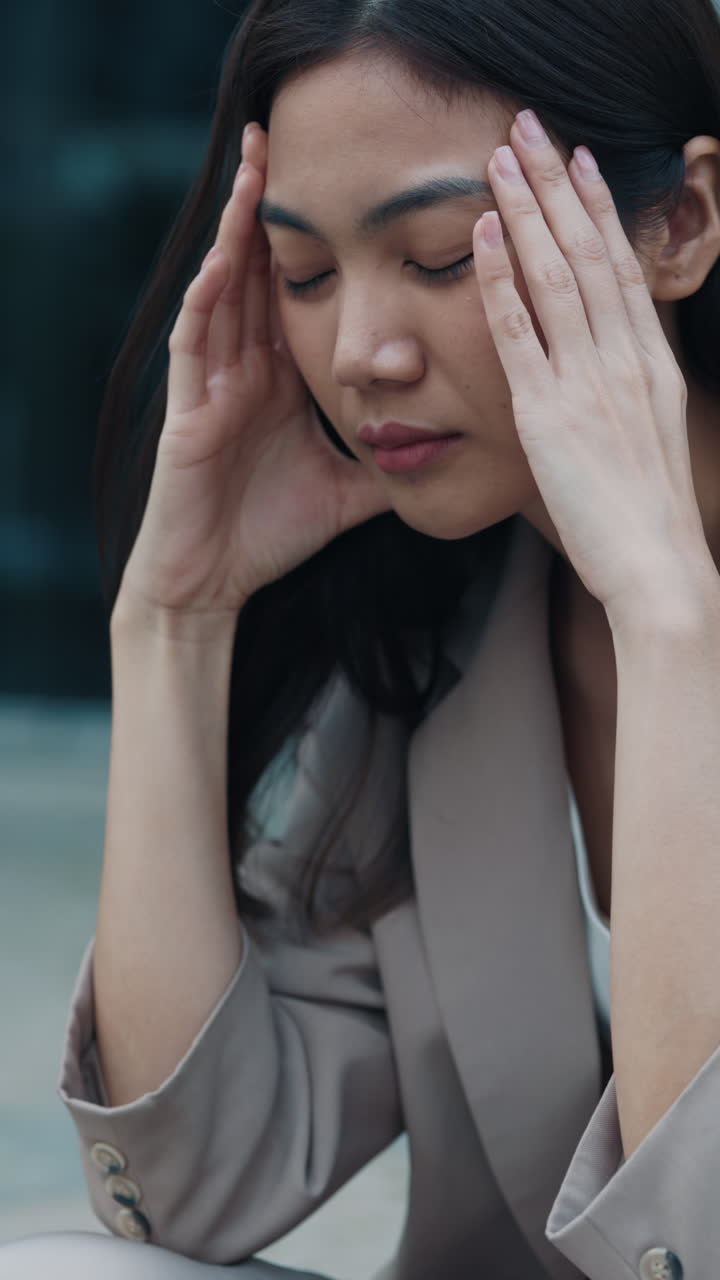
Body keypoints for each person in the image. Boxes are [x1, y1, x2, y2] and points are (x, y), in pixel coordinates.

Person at [3, 0, 720, 1275]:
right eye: (306, 277)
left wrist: (667, 620)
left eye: (442, 256)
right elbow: (186, 1194)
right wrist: (173, 621)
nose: (360, 354)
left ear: (682, 226)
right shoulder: (444, 633)